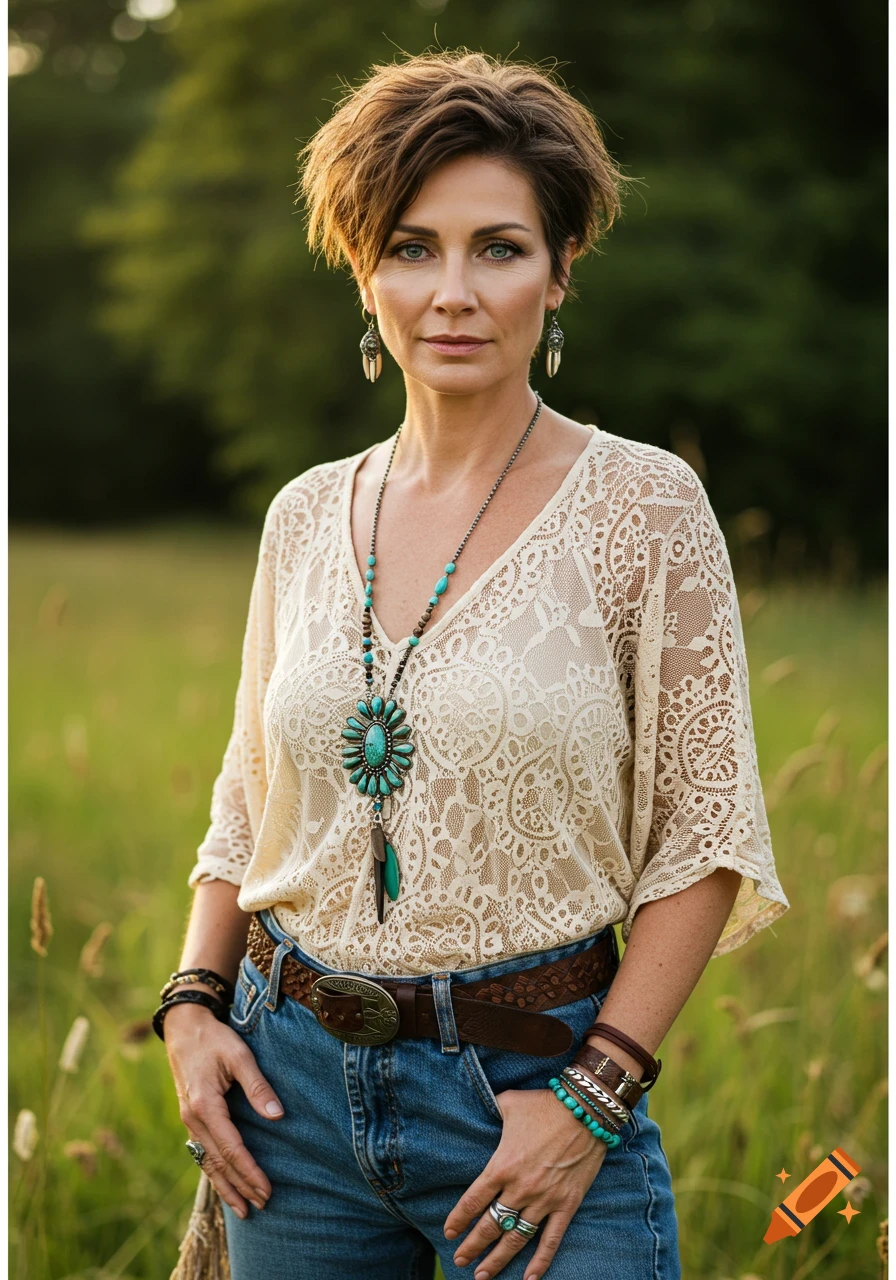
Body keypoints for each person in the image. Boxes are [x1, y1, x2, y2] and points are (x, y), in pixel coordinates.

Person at [157, 49, 789, 1280]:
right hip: (285, 1106)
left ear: (559, 273)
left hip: (532, 1088)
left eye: (496, 247)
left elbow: (705, 835)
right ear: (363, 272)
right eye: (410, 246)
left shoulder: (645, 508)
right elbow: (247, 802)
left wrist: (595, 1093)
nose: (452, 291)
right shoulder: (301, 514)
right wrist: (190, 1007)